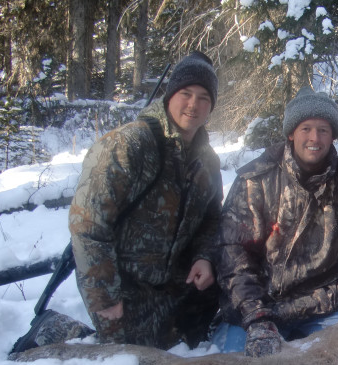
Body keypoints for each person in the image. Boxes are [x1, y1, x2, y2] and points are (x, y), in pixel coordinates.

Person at [216, 86, 338, 356]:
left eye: (323, 130)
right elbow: (234, 258)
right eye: (306, 129)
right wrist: (256, 317)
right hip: (260, 308)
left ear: (333, 135)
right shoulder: (254, 181)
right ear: (291, 133)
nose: (315, 138)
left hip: (324, 303)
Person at [68, 51, 223, 349]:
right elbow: (88, 226)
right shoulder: (129, 144)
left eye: (204, 97)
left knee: (190, 346)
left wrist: (204, 257)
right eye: (185, 93)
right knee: (128, 364)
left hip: (175, 285)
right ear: (169, 96)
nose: (193, 104)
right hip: (125, 286)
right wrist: (106, 299)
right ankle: (56, 333)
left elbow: (212, 218)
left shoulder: (208, 161)